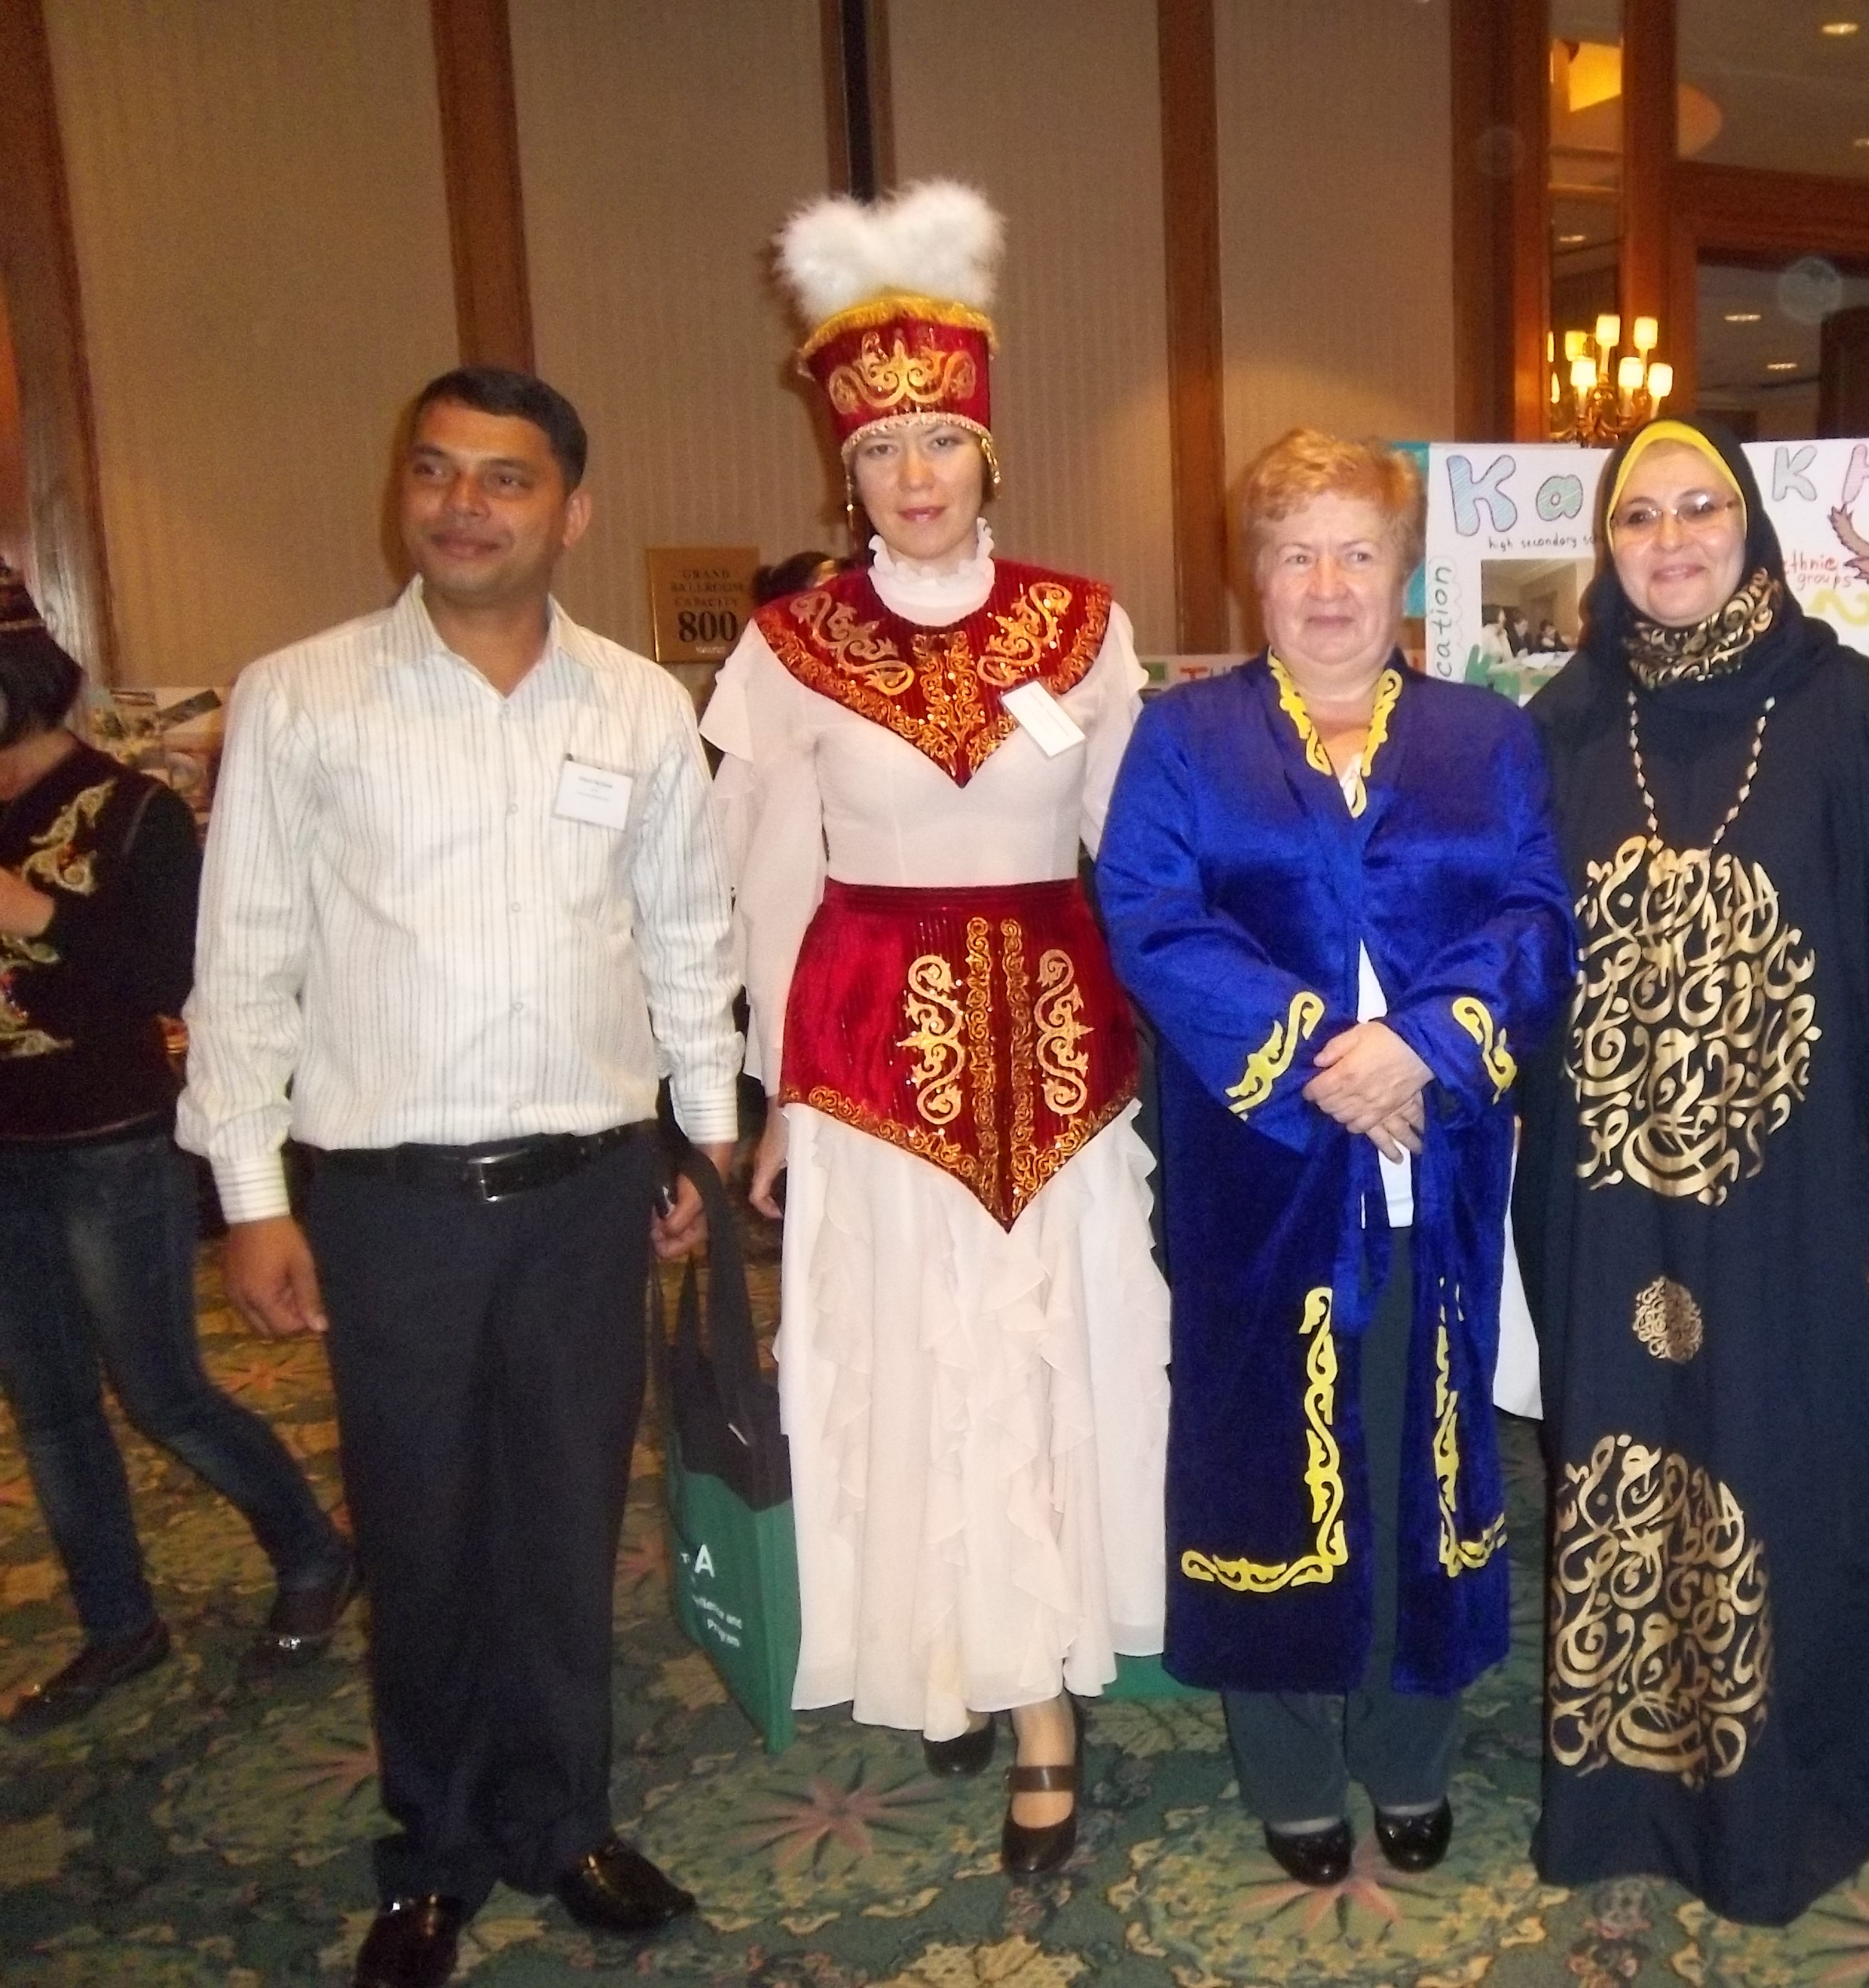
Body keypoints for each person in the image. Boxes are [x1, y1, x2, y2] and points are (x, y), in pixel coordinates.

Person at [179, 367, 739, 1988]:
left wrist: (701, 1137)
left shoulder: (637, 708)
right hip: (391, 1204)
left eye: (504, 479)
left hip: (587, 1195)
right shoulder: (301, 697)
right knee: (422, 1538)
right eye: (435, 471)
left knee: (567, 1529)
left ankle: (563, 1821)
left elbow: (684, 938)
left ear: (571, 512)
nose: (462, 505)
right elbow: (247, 955)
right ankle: (430, 1854)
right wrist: (252, 1195)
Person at [702, 181, 1169, 1881]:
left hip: (1059, 1059)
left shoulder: (1083, 626)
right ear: (847, 469)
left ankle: (1041, 1693)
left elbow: (1144, 855)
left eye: (942, 443)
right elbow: (766, 884)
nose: (916, 474)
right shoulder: (791, 647)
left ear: (989, 453)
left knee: (1042, 1367)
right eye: (884, 448)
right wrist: (773, 1098)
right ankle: (942, 1640)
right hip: (872, 1067)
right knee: (903, 1365)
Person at [1514, 415, 1869, 1924]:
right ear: (1606, 545)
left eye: (1698, 507)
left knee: (1800, 1465)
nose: (1669, 541)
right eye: (1637, 516)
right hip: (1602, 1195)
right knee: (1619, 1459)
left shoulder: (1843, 711)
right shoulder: (1565, 721)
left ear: (1750, 526)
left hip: (1800, 1188)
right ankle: (1628, 1805)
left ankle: (1799, 1793)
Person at [1096, 428, 1572, 1887]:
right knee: (1265, 1460)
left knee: (1423, 1445)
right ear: (1254, 573)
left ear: (1403, 571)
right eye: (1294, 551)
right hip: (1261, 1167)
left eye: (1356, 551)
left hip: (1440, 1156)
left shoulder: (1485, 739)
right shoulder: (1184, 737)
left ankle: (1409, 1746)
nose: (1325, 583)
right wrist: (1322, 1059)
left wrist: (1422, 1044)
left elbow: (1537, 916)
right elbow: (1150, 916)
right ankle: (1292, 1764)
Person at [0, 565, 350, 1735]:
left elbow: (172, 976)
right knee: (48, 1405)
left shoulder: (129, 809)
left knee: (163, 1393)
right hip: (4, 1151)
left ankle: (311, 1549)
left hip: (110, 1143)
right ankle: (117, 1625)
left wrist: (36, 915)